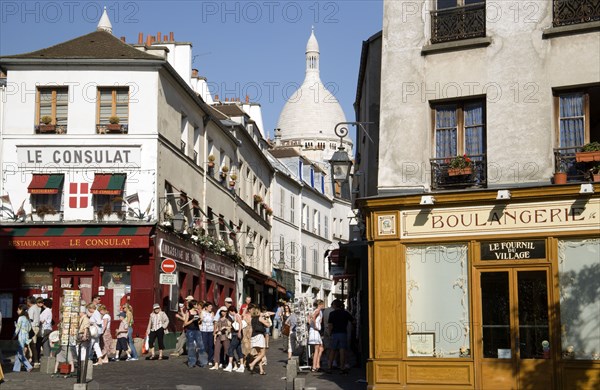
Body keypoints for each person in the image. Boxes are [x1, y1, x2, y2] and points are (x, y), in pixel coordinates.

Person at [325, 300, 355, 374]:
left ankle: (329, 367)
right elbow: (353, 321)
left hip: (334, 333)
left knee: (332, 350)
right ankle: (342, 367)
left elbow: (330, 325)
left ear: (335, 305)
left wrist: (329, 333)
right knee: (342, 350)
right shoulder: (345, 313)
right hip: (343, 333)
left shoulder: (332, 313)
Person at [183, 299, 207, 368]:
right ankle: (191, 362)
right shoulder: (188, 312)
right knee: (191, 347)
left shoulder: (197, 312)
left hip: (197, 330)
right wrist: (192, 320)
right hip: (190, 330)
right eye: (196, 304)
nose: (197, 306)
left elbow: (200, 322)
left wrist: (200, 318)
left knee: (201, 346)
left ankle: (202, 362)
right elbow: (185, 323)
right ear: (193, 305)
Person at [247, 306, 269, 375]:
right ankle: (252, 364)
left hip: (254, 337)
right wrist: (266, 318)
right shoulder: (260, 318)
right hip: (259, 336)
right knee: (262, 353)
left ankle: (261, 370)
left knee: (259, 354)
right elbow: (268, 325)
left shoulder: (252, 319)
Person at [13, 304, 33, 372]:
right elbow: (30, 328)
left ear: (21, 310)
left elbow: (18, 328)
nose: (17, 311)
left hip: (21, 337)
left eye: (18, 310)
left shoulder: (20, 318)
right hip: (26, 336)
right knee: (18, 353)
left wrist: (14, 335)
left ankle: (28, 366)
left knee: (20, 353)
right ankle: (16, 368)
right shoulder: (27, 318)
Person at [225, 306, 244, 372]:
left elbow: (240, 323)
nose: (230, 313)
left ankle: (230, 365)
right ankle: (241, 366)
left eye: (230, 312)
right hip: (236, 334)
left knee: (230, 349)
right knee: (239, 350)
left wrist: (239, 332)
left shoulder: (236, 315)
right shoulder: (237, 315)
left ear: (231, 311)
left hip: (236, 334)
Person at [308, 299, 325, 372]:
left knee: (321, 348)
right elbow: (313, 318)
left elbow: (309, 318)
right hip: (315, 331)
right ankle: (314, 366)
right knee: (317, 349)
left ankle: (317, 364)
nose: (323, 305)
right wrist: (314, 325)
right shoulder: (317, 311)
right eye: (322, 304)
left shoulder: (319, 311)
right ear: (320, 305)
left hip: (316, 331)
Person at [26, 296, 41, 367]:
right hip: (37, 327)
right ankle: (33, 360)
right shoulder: (37, 308)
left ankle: (35, 361)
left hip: (32, 327)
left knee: (32, 344)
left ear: (29, 302)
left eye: (27, 301)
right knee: (33, 344)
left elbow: (30, 319)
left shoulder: (32, 309)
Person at [200, 302, 215, 366]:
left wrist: (214, 330)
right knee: (204, 345)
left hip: (211, 330)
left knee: (211, 345)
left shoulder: (212, 313)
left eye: (211, 307)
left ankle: (210, 359)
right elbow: (200, 320)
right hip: (204, 330)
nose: (211, 308)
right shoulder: (202, 312)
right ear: (206, 307)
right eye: (210, 306)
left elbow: (214, 322)